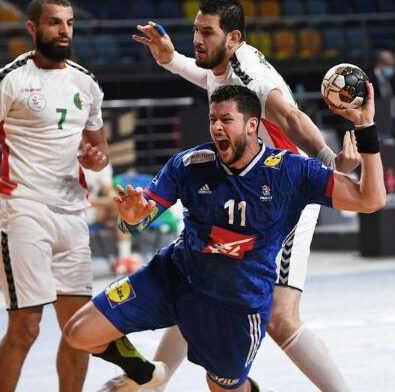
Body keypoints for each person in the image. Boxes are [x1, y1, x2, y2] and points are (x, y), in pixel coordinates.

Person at [101, 1, 361, 391]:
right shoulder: (223, 66)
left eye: (207, 33)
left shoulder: (252, 75)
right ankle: (155, 380)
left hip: (283, 196)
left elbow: (291, 117)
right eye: (196, 31)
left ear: (234, 38)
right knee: (199, 280)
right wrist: (172, 60)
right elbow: (209, 78)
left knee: (281, 318)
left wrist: (331, 165)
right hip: (246, 188)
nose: (197, 40)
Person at [63, 84, 385, 392]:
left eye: (226, 120)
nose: (217, 128)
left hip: (236, 303)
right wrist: (131, 220)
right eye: (213, 120)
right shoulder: (190, 164)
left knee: (224, 387)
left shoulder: (291, 172)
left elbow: (370, 199)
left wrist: (366, 127)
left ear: (252, 125)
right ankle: (146, 374)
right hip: (176, 277)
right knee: (80, 333)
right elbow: (141, 216)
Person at [0, 1, 110, 391]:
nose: (64, 31)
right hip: (23, 209)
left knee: (79, 330)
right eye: (54, 23)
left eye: (69, 23)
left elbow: (100, 151)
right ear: (32, 27)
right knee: (26, 327)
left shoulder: (86, 81)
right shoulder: (7, 79)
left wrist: (96, 158)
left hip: (73, 213)